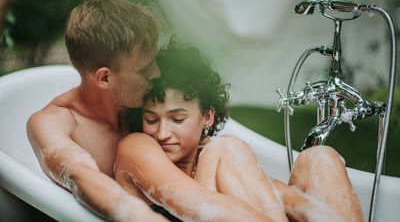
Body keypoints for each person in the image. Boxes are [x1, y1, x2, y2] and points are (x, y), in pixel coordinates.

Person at [27, 0, 269, 222]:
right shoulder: (53, 123)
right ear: (104, 78)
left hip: (188, 205)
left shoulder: (141, 104)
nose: (156, 73)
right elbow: (81, 177)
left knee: (228, 149)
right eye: (144, 70)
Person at [114, 42, 364, 222]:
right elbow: (208, 207)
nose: (162, 133)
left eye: (177, 118)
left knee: (319, 157)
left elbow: (291, 202)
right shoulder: (138, 147)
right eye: (151, 119)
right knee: (225, 148)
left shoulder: (212, 159)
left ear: (207, 117)